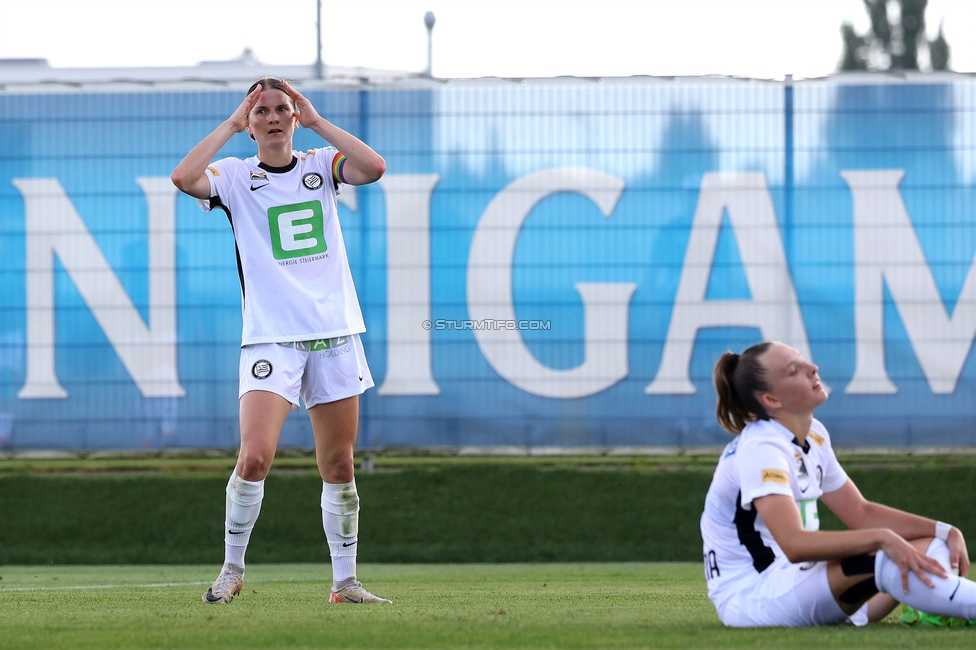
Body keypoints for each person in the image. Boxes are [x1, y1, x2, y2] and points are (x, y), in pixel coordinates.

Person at [172, 77, 389, 605]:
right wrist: (229, 121)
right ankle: (231, 570)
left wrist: (318, 121)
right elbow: (184, 177)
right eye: (260, 111)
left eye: (281, 109)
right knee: (255, 457)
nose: (272, 117)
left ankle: (345, 583)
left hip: (334, 335)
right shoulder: (236, 177)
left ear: (294, 117)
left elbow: (373, 168)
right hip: (271, 339)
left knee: (338, 464)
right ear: (250, 124)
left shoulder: (319, 165)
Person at [700, 340, 976, 627]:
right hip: (754, 594)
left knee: (931, 545)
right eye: (795, 370)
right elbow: (794, 544)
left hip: (802, 584)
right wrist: (883, 537)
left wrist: (945, 530)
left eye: (803, 360)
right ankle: (944, 604)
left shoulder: (814, 434)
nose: (812, 368)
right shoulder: (761, 448)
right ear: (772, 400)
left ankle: (935, 604)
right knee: (886, 554)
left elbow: (861, 513)